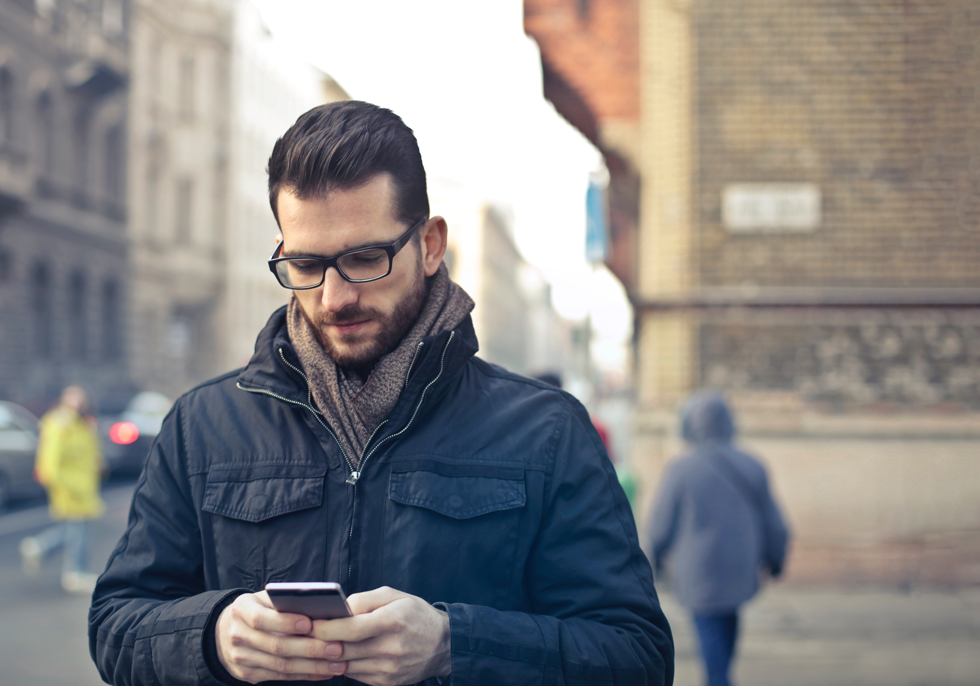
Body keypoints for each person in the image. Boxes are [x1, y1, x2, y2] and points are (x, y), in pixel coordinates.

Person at [88, 100, 673, 686]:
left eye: (365, 258)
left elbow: (636, 657)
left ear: (431, 244)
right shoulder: (201, 423)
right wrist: (213, 636)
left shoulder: (547, 430)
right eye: (306, 264)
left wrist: (453, 645)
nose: (334, 297)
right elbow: (115, 626)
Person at [648, 391, 789, 686]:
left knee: (709, 627)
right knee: (727, 620)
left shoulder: (681, 468)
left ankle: (719, 679)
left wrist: (653, 559)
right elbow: (774, 521)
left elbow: (661, 523)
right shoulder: (751, 464)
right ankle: (721, 676)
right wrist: (776, 558)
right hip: (739, 564)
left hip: (698, 569)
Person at [21, 385, 105, 594]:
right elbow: (50, 462)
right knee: (78, 529)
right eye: (74, 398)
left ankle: (40, 547)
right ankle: (75, 572)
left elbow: (90, 453)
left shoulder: (82, 423)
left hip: (83, 485)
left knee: (76, 529)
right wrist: (59, 482)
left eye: (81, 399)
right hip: (70, 486)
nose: (78, 403)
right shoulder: (60, 424)